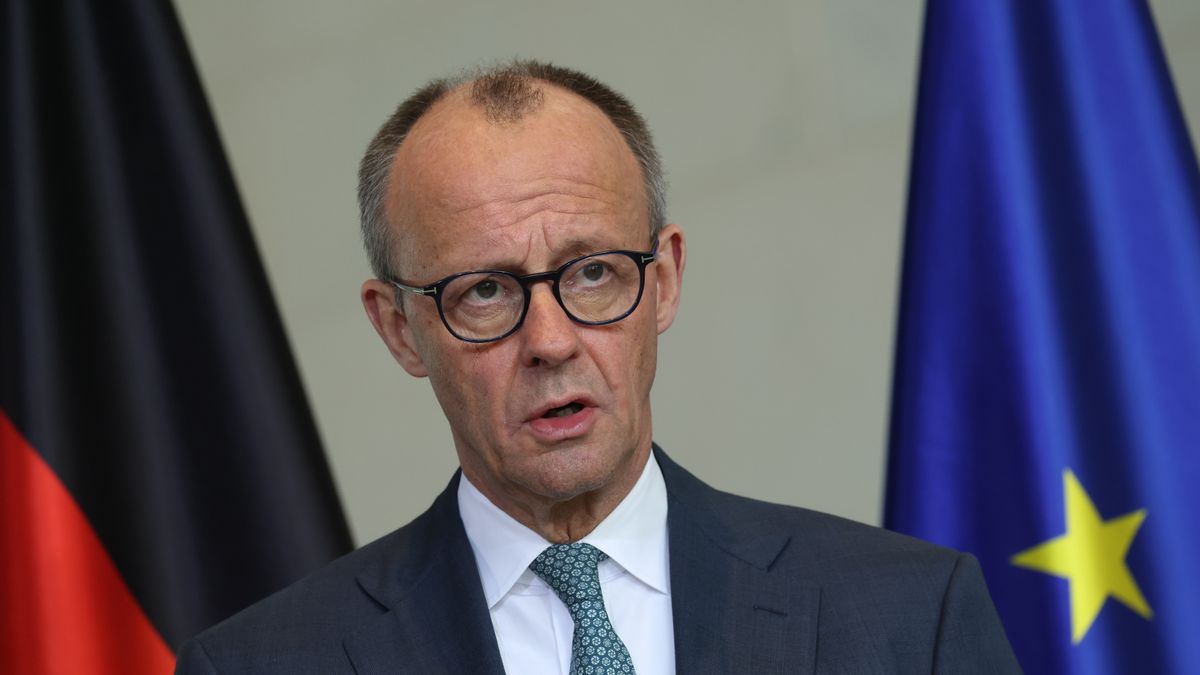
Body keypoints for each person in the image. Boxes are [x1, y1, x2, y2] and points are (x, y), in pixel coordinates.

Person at [175, 60, 1019, 674]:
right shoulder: (259, 664)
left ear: (665, 279)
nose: (551, 340)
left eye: (592, 273)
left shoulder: (910, 616)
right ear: (399, 329)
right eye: (484, 290)